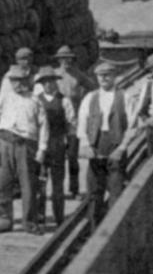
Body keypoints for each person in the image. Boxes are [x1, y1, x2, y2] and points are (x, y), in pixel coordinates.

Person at [0, 67, 49, 234]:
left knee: (28, 184)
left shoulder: (35, 101)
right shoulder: (3, 99)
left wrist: (42, 149)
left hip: (26, 146)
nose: (17, 84)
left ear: (27, 81)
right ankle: (4, 220)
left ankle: (29, 222)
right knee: (3, 183)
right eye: (13, 81)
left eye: (20, 81)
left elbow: (44, 126)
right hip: (5, 143)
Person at [76, 62, 132, 231]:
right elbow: (81, 122)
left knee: (116, 191)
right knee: (94, 192)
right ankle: (94, 228)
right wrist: (85, 144)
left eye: (108, 75)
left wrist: (122, 148)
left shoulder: (125, 96)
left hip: (115, 146)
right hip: (96, 145)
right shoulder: (90, 97)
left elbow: (133, 126)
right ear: (97, 77)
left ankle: (113, 230)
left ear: (114, 77)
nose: (104, 78)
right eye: (101, 76)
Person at [34, 67, 77, 226]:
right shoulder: (36, 100)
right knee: (40, 184)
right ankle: (40, 217)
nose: (48, 85)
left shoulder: (64, 100)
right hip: (41, 148)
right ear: (41, 84)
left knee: (58, 184)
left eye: (51, 82)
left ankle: (59, 217)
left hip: (58, 146)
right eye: (45, 82)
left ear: (55, 82)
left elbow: (72, 124)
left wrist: (71, 146)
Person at [53, 45, 97, 199]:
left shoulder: (79, 75)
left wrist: (85, 105)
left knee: (72, 156)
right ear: (58, 60)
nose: (67, 62)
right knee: (55, 157)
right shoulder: (54, 75)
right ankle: (57, 191)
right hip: (56, 121)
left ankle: (74, 189)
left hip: (73, 122)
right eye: (63, 59)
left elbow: (93, 89)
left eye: (69, 59)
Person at [127, 53, 153, 153]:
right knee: (152, 151)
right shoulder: (150, 85)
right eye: (152, 70)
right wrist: (147, 120)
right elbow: (142, 109)